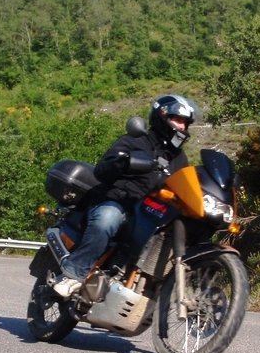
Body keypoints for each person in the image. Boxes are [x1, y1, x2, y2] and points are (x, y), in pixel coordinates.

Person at [53, 94, 195, 297]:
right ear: (161, 116)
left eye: (185, 123)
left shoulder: (179, 159)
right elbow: (101, 170)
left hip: (150, 213)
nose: (182, 127)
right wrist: (122, 162)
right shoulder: (135, 140)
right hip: (119, 201)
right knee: (106, 219)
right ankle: (73, 274)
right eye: (178, 120)